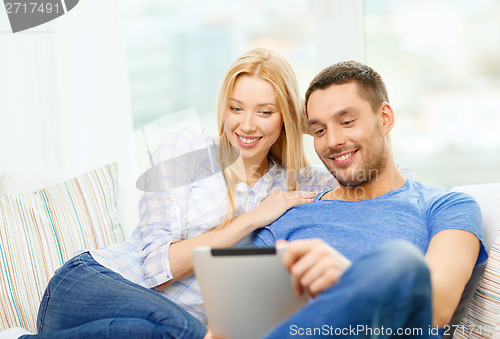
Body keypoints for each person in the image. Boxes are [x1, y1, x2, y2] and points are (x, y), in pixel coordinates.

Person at [23, 48, 337, 338]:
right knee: (184, 330)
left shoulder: (294, 184)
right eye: (236, 108)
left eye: (265, 113)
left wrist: (308, 123)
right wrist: (251, 219)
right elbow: (160, 267)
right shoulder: (188, 145)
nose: (247, 125)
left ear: (286, 118)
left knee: (162, 332)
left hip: (147, 327)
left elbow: (365, 181)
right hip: (90, 286)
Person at [206, 61, 487, 339]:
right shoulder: (289, 214)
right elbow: (242, 319)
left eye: (347, 122)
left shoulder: (446, 206)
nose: (333, 141)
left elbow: (436, 309)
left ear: (385, 118)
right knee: (160, 312)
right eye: (319, 131)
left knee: (400, 261)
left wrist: (350, 280)